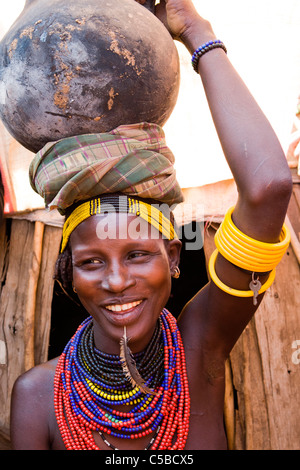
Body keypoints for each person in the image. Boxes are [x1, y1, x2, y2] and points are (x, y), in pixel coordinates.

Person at [10, 0, 292, 450]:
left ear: (173, 257)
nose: (117, 281)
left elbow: (270, 187)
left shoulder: (200, 351)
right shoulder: (38, 397)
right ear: (69, 275)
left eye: (137, 254)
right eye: (91, 262)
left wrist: (197, 32)